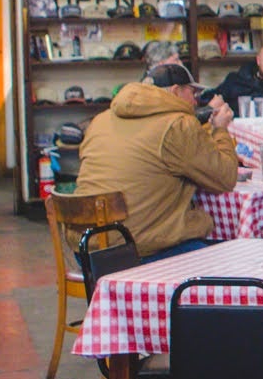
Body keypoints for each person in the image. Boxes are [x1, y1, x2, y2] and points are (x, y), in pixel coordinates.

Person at [74, 61, 237, 260]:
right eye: (192, 94)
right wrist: (220, 129)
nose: (195, 102)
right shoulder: (178, 125)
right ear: (176, 91)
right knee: (228, 256)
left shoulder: (101, 119)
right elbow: (226, 178)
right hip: (135, 249)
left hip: (85, 246)